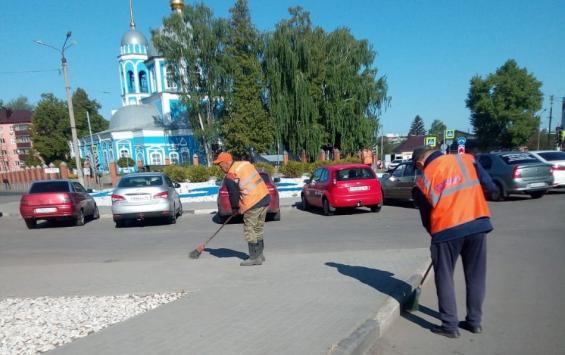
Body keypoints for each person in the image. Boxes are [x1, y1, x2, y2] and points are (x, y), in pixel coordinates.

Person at [412, 147, 496, 338]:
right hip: (477, 222)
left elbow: (426, 217)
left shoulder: (425, 177)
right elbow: (490, 187)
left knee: (445, 277)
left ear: (420, 163)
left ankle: (450, 326)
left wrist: (434, 236)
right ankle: (474, 322)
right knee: (476, 276)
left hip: (446, 229)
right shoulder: (467, 160)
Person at [213, 152, 271, 266]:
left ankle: (254, 257)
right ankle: (260, 255)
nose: (220, 168)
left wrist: (235, 208)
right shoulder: (245, 164)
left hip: (252, 202)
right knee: (258, 228)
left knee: (249, 230)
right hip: (264, 198)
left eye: (220, 165)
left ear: (227, 162)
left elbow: (233, 194)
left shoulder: (231, 174)